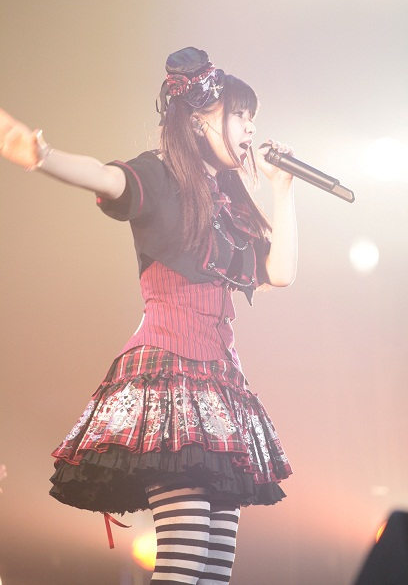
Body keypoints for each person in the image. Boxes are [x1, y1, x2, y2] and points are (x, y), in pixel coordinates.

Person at [0, 46, 297, 584]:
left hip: (219, 382)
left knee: (214, 569)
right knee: (185, 562)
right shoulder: (160, 176)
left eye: (252, 117)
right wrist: (42, 156)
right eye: (240, 115)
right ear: (201, 119)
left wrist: (283, 190)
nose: (251, 129)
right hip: (169, 374)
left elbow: (281, 272)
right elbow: (104, 177)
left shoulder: (227, 202)